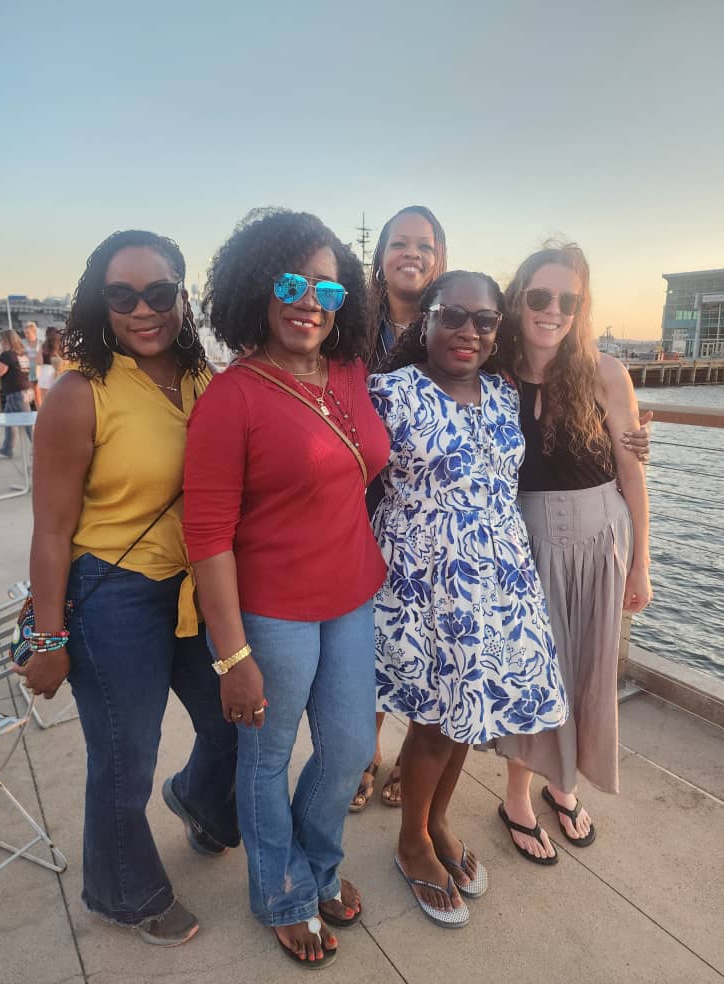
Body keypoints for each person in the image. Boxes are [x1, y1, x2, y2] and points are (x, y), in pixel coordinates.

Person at [17, 230, 239, 945]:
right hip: (112, 594)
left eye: (159, 293)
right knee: (125, 756)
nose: (143, 310)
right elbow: (52, 530)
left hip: (194, 588)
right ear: (100, 302)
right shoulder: (80, 394)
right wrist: (48, 638)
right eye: (122, 296)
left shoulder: (206, 380)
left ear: (183, 297)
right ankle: (122, 891)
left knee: (233, 720)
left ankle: (199, 800)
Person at [183, 208, 390, 969]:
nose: (310, 302)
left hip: (352, 597)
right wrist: (233, 655)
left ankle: (317, 864)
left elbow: (438, 335)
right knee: (266, 759)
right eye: (292, 284)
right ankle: (282, 891)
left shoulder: (351, 371)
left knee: (350, 748)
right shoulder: (230, 398)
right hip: (272, 613)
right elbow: (207, 536)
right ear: (257, 288)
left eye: (328, 291)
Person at [369, 269, 567, 926]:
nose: (468, 331)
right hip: (426, 585)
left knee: (468, 719)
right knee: (435, 722)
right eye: (452, 315)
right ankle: (412, 842)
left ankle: (437, 822)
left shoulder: (504, 394)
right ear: (425, 319)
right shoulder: (391, 393)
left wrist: (633, 447)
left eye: (484, 321)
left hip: (498, 583)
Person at [494, 244, 652, 862]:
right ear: (519, 300)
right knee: (533, 673)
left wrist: (642, 563)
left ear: (581, 308)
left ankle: (563, 787)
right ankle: (516, 797)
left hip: (601, 537)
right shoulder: (494, 374)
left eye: (568, 300)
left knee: (588, 669)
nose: (552, 310)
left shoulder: (607, 373)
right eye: (540, 296)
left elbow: (632, 473)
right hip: (527, 542)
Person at [350, 205, 447, 814]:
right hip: (359, 492)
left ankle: (415, 754)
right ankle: (366, 750)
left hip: (425, 502)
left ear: (439, 258)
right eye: (400, 243)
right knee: (371, 630)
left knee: (428, 633)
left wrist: (620, 435)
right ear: (382, 255)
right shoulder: (351, 323)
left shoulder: (453, 320)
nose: (412, 254)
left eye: (425, 245)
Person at [0, 328, 33, 457]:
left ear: (6, 340)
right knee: (10, 421)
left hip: (16, 393)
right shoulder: (22, 354)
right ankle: (7, 449)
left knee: (27, 423)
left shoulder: (6, 355)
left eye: (0, 340)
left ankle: (39, 449)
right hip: (25, 390)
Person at [36, 325, 63, 404]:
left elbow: (39, 362)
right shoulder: (61, 346)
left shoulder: (43, 347)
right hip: (59, 372)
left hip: (45, 372)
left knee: (45, 400)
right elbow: (66, 360)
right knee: (58, 399)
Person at [23, 321, 40, 408]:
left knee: (38, 393)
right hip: (28, 369)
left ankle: (40, 410)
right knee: (30, 393)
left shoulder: (40, 343)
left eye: (28, 333)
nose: (26, 335)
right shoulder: (23, 344)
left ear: (34, 332)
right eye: (25, 333)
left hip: (38, 369)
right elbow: (22, 355)